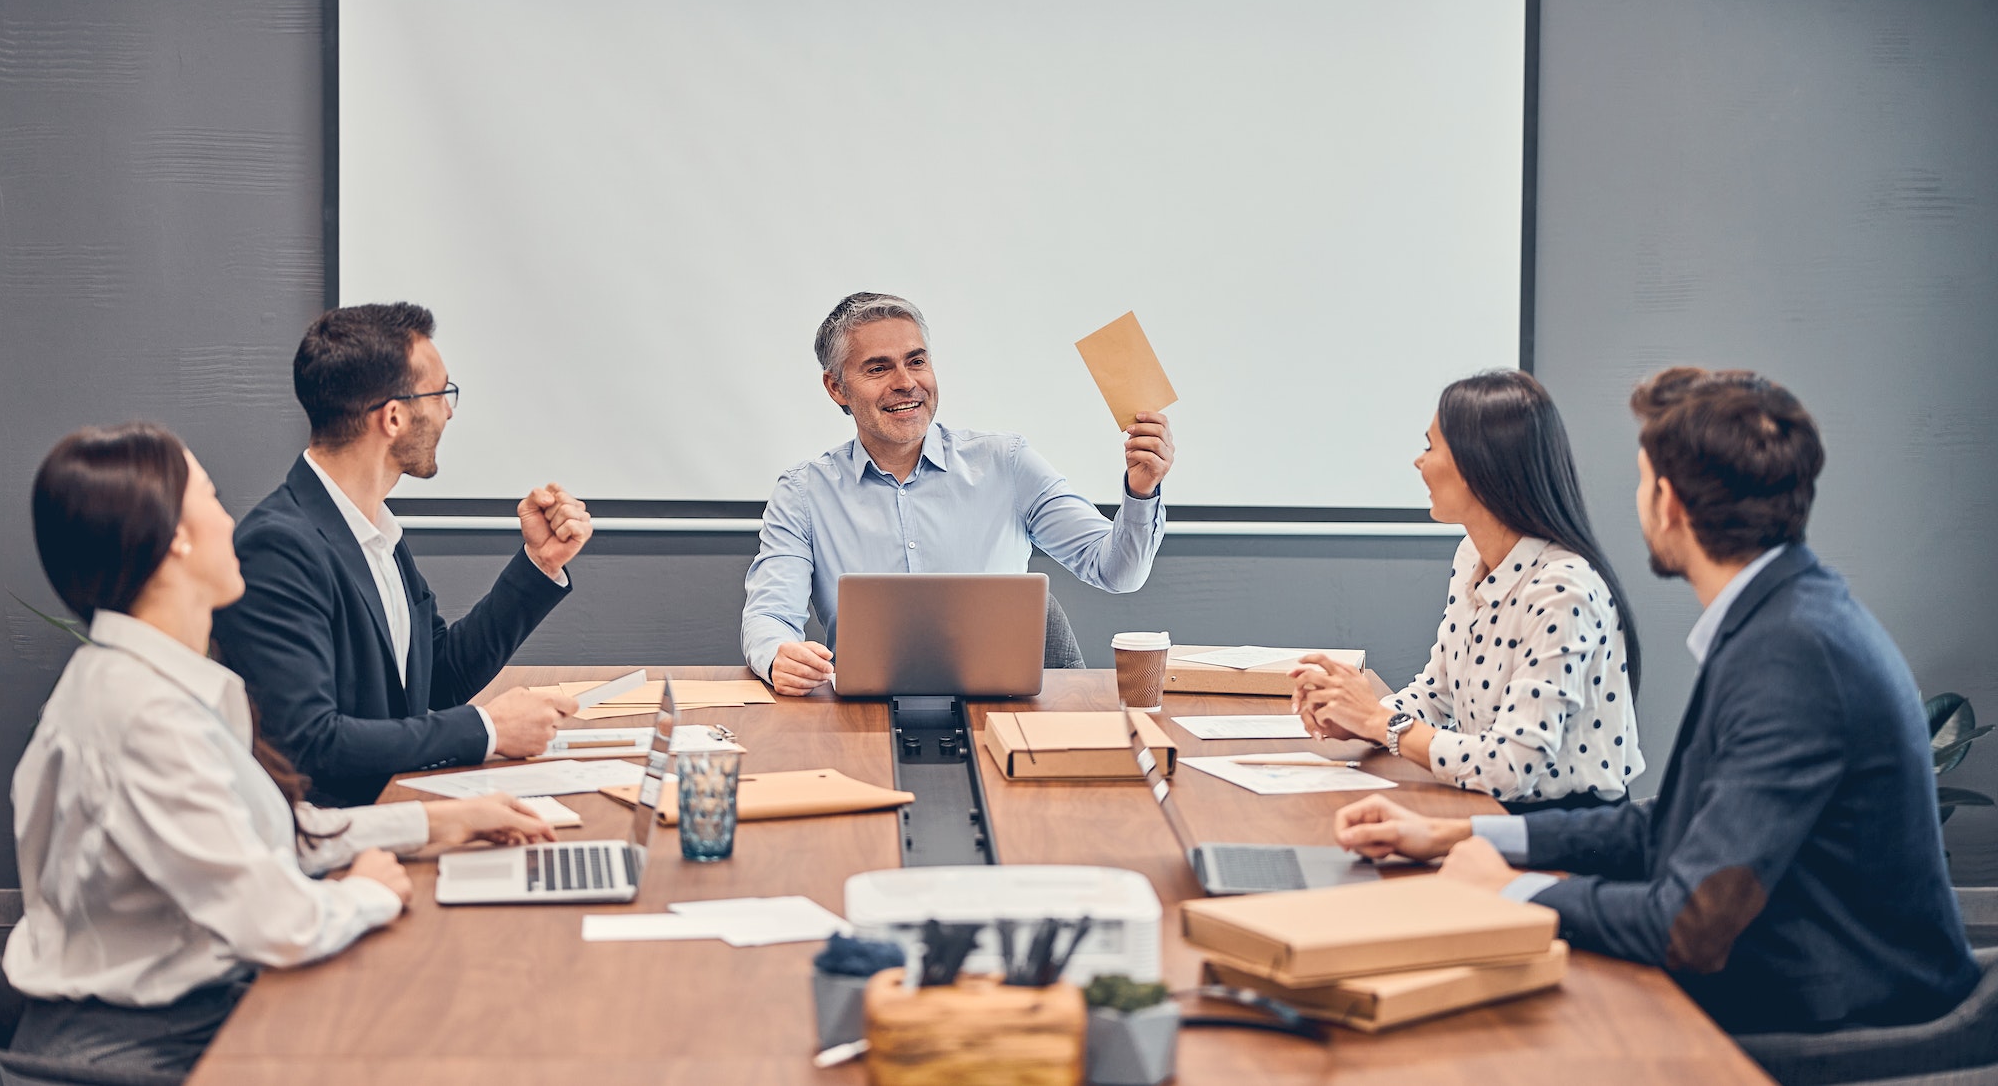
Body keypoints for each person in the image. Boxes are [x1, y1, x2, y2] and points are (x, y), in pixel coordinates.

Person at [1332, 368, 1980, 1034]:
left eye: (1641, 480)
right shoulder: (1785, 617)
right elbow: (1665, 826)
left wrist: (1510, 890)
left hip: (1841, 1023)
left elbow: (1688, 924)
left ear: (1666, 502)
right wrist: (1457, 833)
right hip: (1803, 983)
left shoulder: (1791, 654)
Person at [5, 423, 554, 1083]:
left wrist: (436, 823)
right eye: (209, 496)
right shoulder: (143, 715)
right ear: (174, 537)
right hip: (146, 1049)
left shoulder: (141, 682)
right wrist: (364, 894)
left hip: (170, 1015)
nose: (230, 517)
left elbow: (268, 835)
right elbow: (274, 918)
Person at [211, 303, 592, 805]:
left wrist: (540, 563)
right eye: (442, 394)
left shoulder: (374, 529)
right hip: (346, 848)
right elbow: (310, 742)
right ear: (393, 416)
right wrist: (487, 729)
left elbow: (439, 680)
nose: (449, 411)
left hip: (407, 809)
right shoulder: (277, 546)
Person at [741, 292, 1175, 694]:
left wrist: (1141, 492)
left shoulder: (1006, 462)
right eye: (878, 368)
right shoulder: (803, 493)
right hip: (867, 717)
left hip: (1004, 712)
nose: (905, 382)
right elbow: (770, 615)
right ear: (837, 387)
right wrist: (778, 654)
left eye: (916, 361)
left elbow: (1117, 571)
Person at [1289, 371, 1643, 812]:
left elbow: (1511, 767)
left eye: (1431, 446)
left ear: (1480, 467)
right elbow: (1438, 696)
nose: (1419, 462)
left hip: (1563, 831)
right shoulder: (1470, 555)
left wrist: (1381, 722)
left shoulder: (1563, 589)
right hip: (1489, 808)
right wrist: (1353, 719)